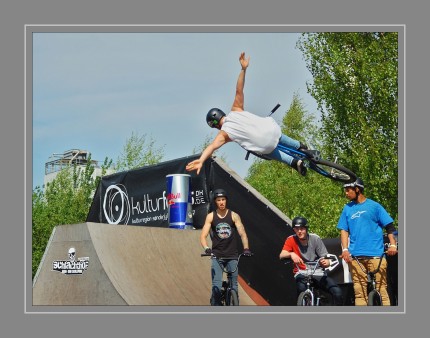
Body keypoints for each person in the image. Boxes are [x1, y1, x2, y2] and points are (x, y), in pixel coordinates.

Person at [186, 52, 312, 177]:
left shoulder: (224, 134)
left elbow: (212, 146)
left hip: (265, 145)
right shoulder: (236, 109)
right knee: (277, 134)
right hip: (272, 130)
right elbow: (239, 89)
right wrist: (243, 69)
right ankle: (301, 146)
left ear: (215, 126)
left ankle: (294, 162)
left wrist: (201, 160)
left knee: (267, 150)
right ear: (221, 113)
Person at [337, 177, 398, 305]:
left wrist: (393, 244)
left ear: (357, 189)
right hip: (356, 257)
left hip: (376, 255)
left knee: (382, 290)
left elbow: (389, 226)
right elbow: (343, 230)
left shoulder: (374, 206)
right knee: (359, 293)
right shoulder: (347, 208)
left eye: (348, 190)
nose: (346, 193)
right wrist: (345, 249)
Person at [200, 188, 252, 306]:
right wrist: (207, 248)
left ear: (226, 201)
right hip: (217, 256)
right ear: (216, 202)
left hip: (232, 256)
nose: (221, 202)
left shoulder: (234, 216)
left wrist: (246, 248)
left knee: (234, 285)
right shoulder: (211, 217)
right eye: (219, 200)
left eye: (223, 199)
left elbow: (242, 233)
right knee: (217, 286)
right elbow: (203, 236)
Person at [279, 216, 344, 306]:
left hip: (317, 272)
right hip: (301, 272)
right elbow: (281, 255)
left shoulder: (315, 239)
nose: (299, 231)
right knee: (301, 288)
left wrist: (326, 263)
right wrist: (291, 254)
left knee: (337, 292)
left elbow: (326, 258)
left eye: (301, 229)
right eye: (296, 229)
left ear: (306, 229)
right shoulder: (291, 239)